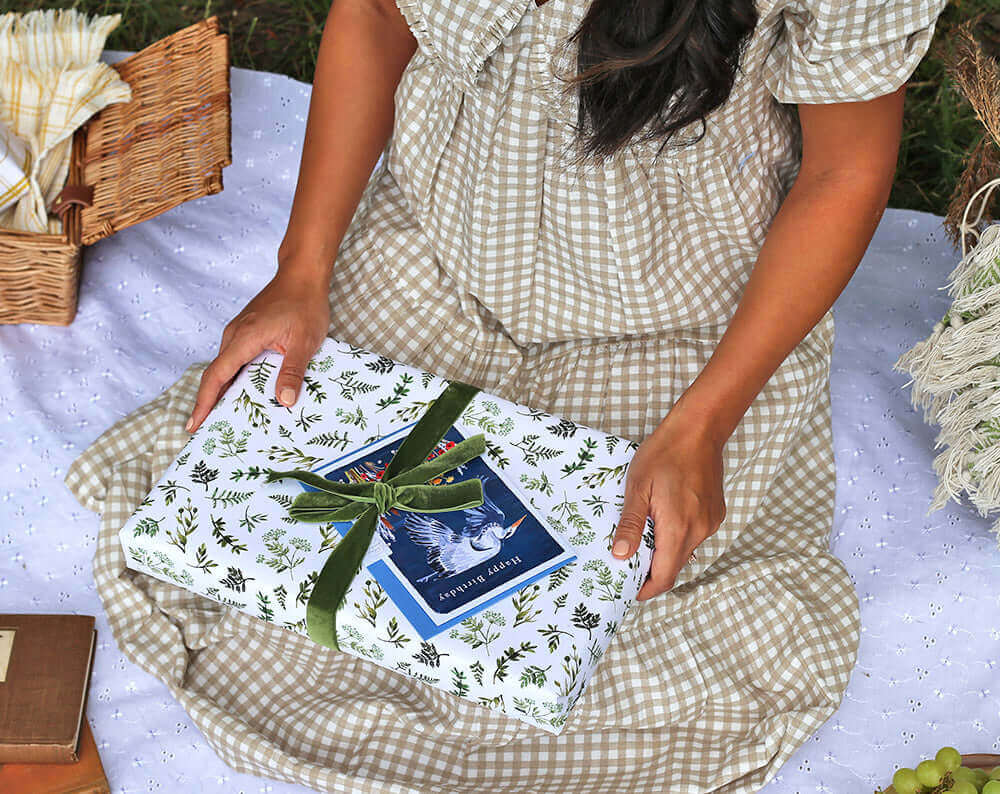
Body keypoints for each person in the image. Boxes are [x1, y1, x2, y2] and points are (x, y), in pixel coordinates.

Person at [66, 0, 949, 791]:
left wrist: (705, 422)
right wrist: (302, 270)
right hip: (436, 257)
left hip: (684, 315)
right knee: (270, 554)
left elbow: (844, 167)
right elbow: (376, 14)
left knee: (622, 627)